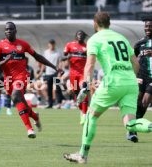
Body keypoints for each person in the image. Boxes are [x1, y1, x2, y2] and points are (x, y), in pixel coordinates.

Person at [63, 12, 152, 164]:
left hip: (112, 82)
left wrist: (85, 85)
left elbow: (90, 65)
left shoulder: (94, 39)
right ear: (109, 23)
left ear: (95, 24)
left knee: (91, 116)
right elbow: (135, 64)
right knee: (130, 123)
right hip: (130, 83)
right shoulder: (122, 37)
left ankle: (82, 155)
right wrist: (129, 78)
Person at [0, 22, 59, 138]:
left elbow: (37, 56)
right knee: (21, 103)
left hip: (21, 76)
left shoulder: (23, 45)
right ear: (4, 32)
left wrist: (54, 67)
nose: (8, 31)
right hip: (8, 79)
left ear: (15, 31)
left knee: (16, 96)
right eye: (6, 29)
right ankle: (35, 116)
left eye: (11, 29)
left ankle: (29, 129)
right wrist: (5, 60)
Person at [127, 16, 152, 143]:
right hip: (141, 76)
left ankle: (133, 127)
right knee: (137, 102)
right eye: (146, 26)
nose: (148, 28)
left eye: (150, 26)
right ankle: (132, 130)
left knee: (145, 102)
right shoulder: (140, 43)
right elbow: (132, 59)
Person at [64, 30, 88, 125]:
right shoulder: (70, 45)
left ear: (84, 36)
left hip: (83, 73)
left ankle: (85, 115)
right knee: (77, 94)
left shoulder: (87, 47)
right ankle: (82, 111)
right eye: (78, 34)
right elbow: (64, 55)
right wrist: (66, 58)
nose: (80, 36)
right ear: (76, 36)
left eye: (82, 35)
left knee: (84, 90)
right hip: (73, 74)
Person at [43, 39, 64, 109]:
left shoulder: (58, 52)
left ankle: (59, 103)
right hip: (48, 73)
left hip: (56, 72)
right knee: (49, 89)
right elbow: (43, 62)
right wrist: (42, 72)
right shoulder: (46, 52)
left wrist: (59, 72)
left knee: (57, 88)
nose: (52, 45)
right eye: (50, 44)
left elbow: (60, 62)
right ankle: (50, 103)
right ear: (48, 45)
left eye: (53, 44)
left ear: (54, 44)